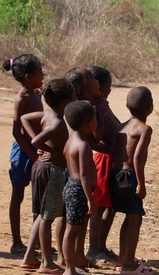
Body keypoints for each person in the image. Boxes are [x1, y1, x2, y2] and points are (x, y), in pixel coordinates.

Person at [20, 78, 77, 273]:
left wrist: (41, 147)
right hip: (52, 170)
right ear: (66, 102)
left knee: (41, 214)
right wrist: (46, 149)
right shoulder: (59, 123)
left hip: (40, 168)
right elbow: (36, 140)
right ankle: (46, 262)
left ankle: (30, 258)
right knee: (47, 217)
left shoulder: (47, 115)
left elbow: (24, 119)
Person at [109, 86, 155, 274]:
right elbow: (138, 158)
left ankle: (123, 258)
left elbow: (112, 153)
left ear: (127, 105)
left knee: (128, 219)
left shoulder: (122, 126)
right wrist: (141, 184)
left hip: (115, 174)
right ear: (150, 108)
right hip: (130, 176)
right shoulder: (145, 129)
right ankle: (128, 264)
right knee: (134, 220)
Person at [2, 54, 44, 254]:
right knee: (18, 195)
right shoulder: (22, 98)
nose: (43, 75)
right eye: (40, 72)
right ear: (28, 77)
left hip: (36, 150)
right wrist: (32, 154)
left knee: (38, 196)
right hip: (24, 152)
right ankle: (17, 242)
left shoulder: (35, 94)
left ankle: (36, 240)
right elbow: (16, 132)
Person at [85, 65, 121, 267]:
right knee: (98, 208)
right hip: (104, 160)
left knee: (111, 206)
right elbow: (91, 140)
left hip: (113, 159)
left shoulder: (101, 104)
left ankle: (101, 245)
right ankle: (93, 249)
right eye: (108, 85)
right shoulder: (92, 108)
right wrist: (111, 151)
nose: (109, 89)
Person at [61, 101, 98, 275]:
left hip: (72, 187)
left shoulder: (70, 142)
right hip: (78, 190)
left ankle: (72, 265)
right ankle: (69, 269)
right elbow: (84, 175)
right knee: (72, 231)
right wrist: (90, 199)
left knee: (73, 229)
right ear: (89, 123)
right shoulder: (83, 146)